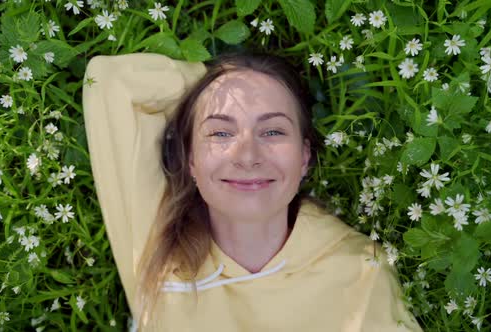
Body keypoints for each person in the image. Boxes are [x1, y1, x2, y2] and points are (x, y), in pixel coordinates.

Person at [82, 52, 422, 332]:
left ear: (304, 157)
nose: (247, 156)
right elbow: (113, 81)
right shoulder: (159, 246)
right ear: (191, 160)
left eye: (273, 131)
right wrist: (225, 77)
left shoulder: (359, 271)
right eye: (220, 134)